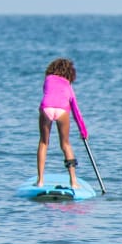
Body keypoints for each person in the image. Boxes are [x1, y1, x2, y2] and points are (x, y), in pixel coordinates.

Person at [35, 57, 88, 191]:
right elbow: (75, 109)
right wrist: (83, 131)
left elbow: (48, 94)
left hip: (46, 108)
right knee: (65, 144)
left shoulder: (47, 79)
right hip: (62, 110)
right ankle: (73, 181)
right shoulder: (68, 85)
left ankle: (40, 180)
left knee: (43, 142)